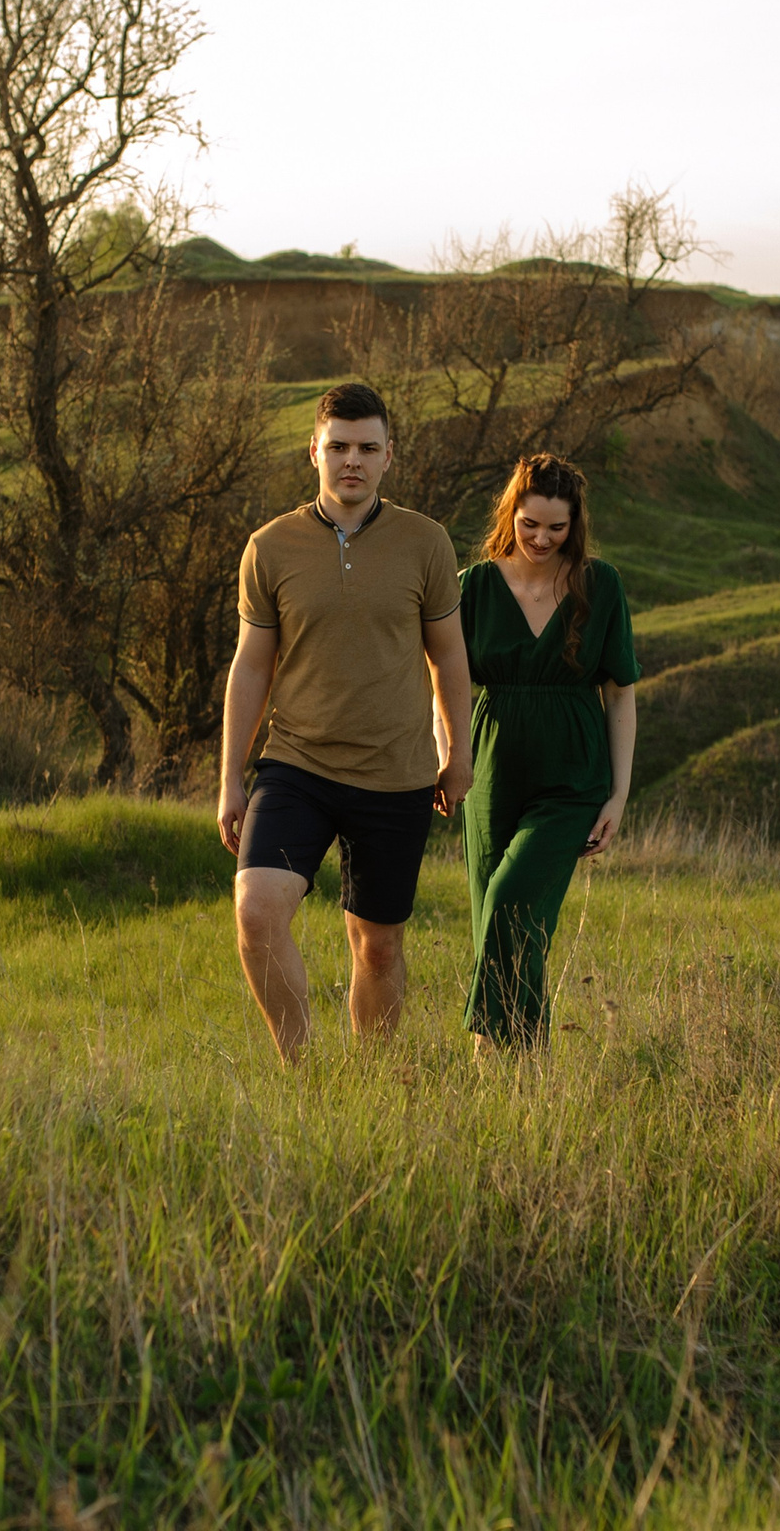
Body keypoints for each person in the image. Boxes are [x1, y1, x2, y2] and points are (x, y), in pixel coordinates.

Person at [218, 382, 473, 1062]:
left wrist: (459, 754)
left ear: (390, 455)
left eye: (366, 447)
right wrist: (230, 781)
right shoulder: (270, 547)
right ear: (314, 452)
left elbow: (448, 657)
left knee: (379, 946)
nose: (351, 460)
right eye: (338, 447)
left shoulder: (426, 543)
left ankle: (376, 1080)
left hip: (397, 775)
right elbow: (250, 668)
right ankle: (302, 1070)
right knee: (256, 911)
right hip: (296, 765)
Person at [457, 454, 640, 1048]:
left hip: (572, 776)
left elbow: (620, 695)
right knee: (500, 919)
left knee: (514, 901)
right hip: (489, 769)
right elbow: (445, 685)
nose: (540, 538)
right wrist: (449, 756)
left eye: (556, 528)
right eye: (529, 523)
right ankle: (512, 1072)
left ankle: (501, 1050)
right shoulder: (474, 587)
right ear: (510, 512)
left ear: (575, 524)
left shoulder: (600, 585)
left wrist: (619, 793)